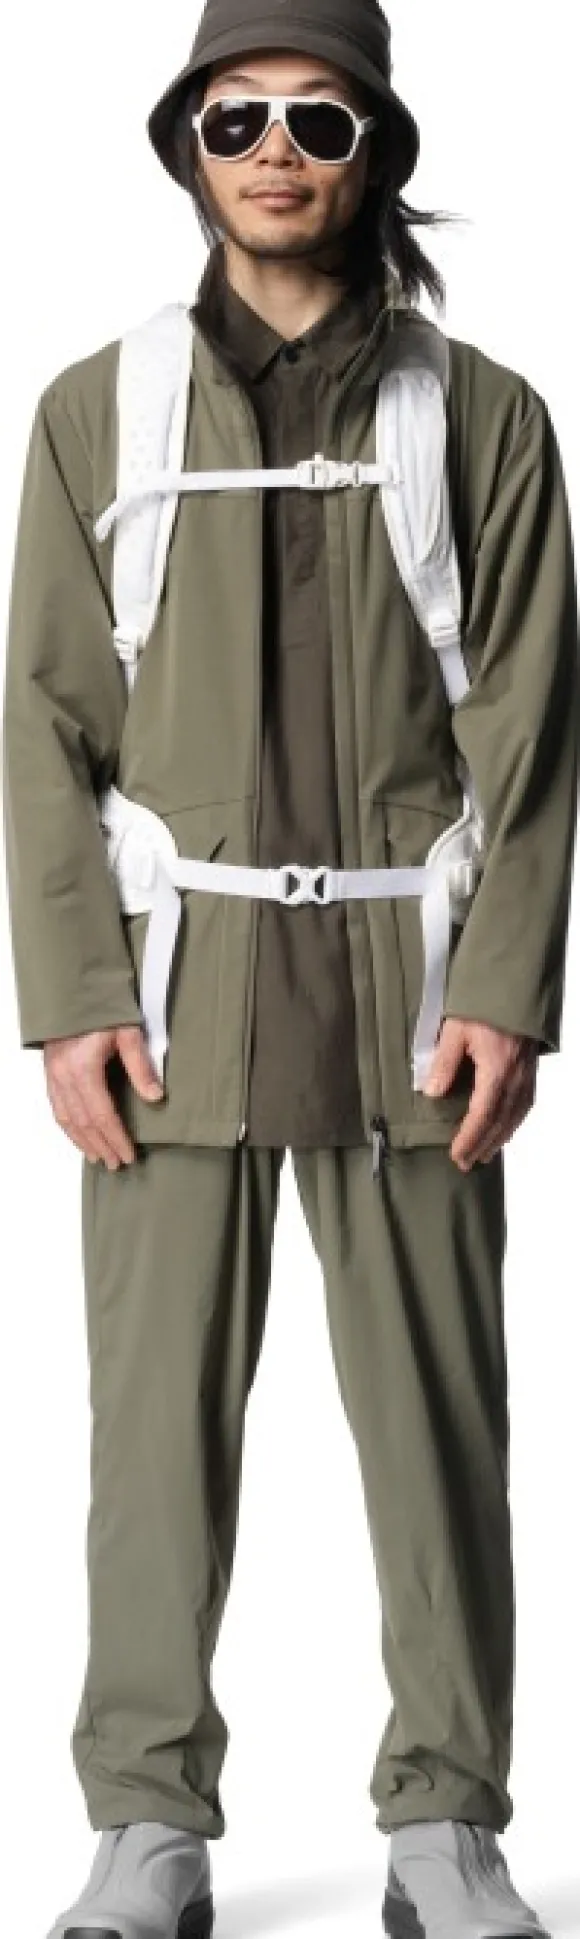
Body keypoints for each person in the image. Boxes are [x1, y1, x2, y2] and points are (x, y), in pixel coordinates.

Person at [2, 0, 579, 1933]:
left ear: (375, 151)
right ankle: (144, 1820)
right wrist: (74, 998)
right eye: (237, 115)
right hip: (174, 1006)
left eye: (320, 120)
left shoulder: (485, 418)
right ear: (189, 144)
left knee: (441, 1428)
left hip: (419, 1004)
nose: (275, 149)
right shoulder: (96, 410)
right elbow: (45, 728)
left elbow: (532, 734)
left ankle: (447, 1820)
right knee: (151, 1438)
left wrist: (505, 984)